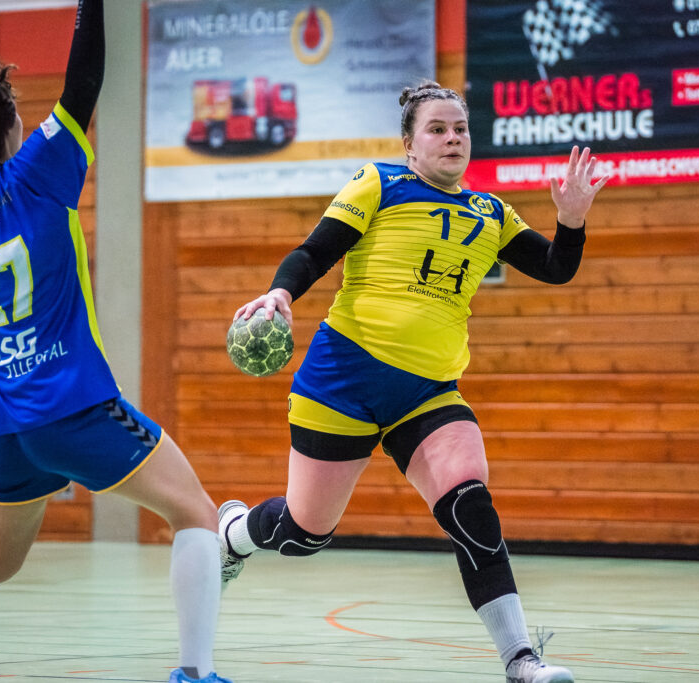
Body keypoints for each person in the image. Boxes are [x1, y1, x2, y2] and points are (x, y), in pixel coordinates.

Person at [217, 80, 608, 683]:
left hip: (428, 393)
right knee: (303, 535)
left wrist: (572, 220)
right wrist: (280, 293)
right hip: (342, 381)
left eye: (461, 130)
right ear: (410, 144)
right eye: (438, 129)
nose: (453, 139)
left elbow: (556, 268)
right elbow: (315, 252)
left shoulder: (491, 213)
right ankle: (233, 534)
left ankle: (520, 659)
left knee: (471, 506)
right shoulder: (379, 183)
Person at [0, 11, 233, 683]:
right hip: (74, 407)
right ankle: (196, 671)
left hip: (5, 427)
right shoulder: (39, 174)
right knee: (196, 513)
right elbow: (84, 81)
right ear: (11, 128)